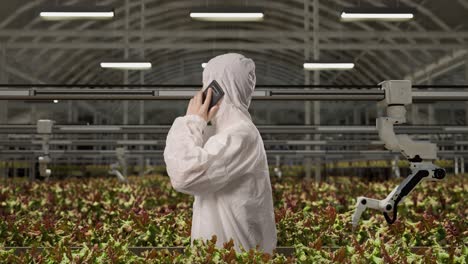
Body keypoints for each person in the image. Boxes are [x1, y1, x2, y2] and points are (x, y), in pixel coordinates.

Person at [163, 53, 277, 253]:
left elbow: (184, 174)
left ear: (218, 87)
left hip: (232, 256)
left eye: (207, 85)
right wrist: (200, 124)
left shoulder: (240, 135)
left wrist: (191, 121)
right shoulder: (222, 134)